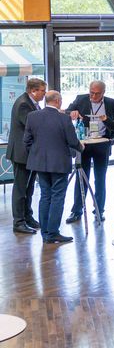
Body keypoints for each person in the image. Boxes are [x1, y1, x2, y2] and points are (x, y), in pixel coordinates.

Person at [24, 91, 83, 244]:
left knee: (45, 196)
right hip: (59, 164)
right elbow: (72, 141)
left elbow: (27, 141)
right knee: (57, 197)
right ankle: (53, 232)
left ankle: (45, 232)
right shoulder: (64, 119)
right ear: (57, 101)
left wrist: (37, 154)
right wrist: (81, 147)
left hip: (39, 164)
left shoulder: (32, 116)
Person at [65, 80, 114, 223]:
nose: (93, 96)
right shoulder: (81, 99)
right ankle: (77, 211)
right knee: (82, 178)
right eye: (91, 93)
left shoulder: (112, 103)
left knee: (100, 178)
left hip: (102, 144)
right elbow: (66, 112)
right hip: (85, 145)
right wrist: (73, 113)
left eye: (97, 94)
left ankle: (99, 210)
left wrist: (110, 139)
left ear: (103, 93)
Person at [7, 78, 45, 234]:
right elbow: (33, 126)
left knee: (29, 188)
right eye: (42, 91)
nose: (44, 94)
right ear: (33, 91)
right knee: (20, 188)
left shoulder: (32, 103)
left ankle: (28, 217)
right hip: (22, 153)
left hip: (31, 152)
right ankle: (19, 221)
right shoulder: (23, 103)